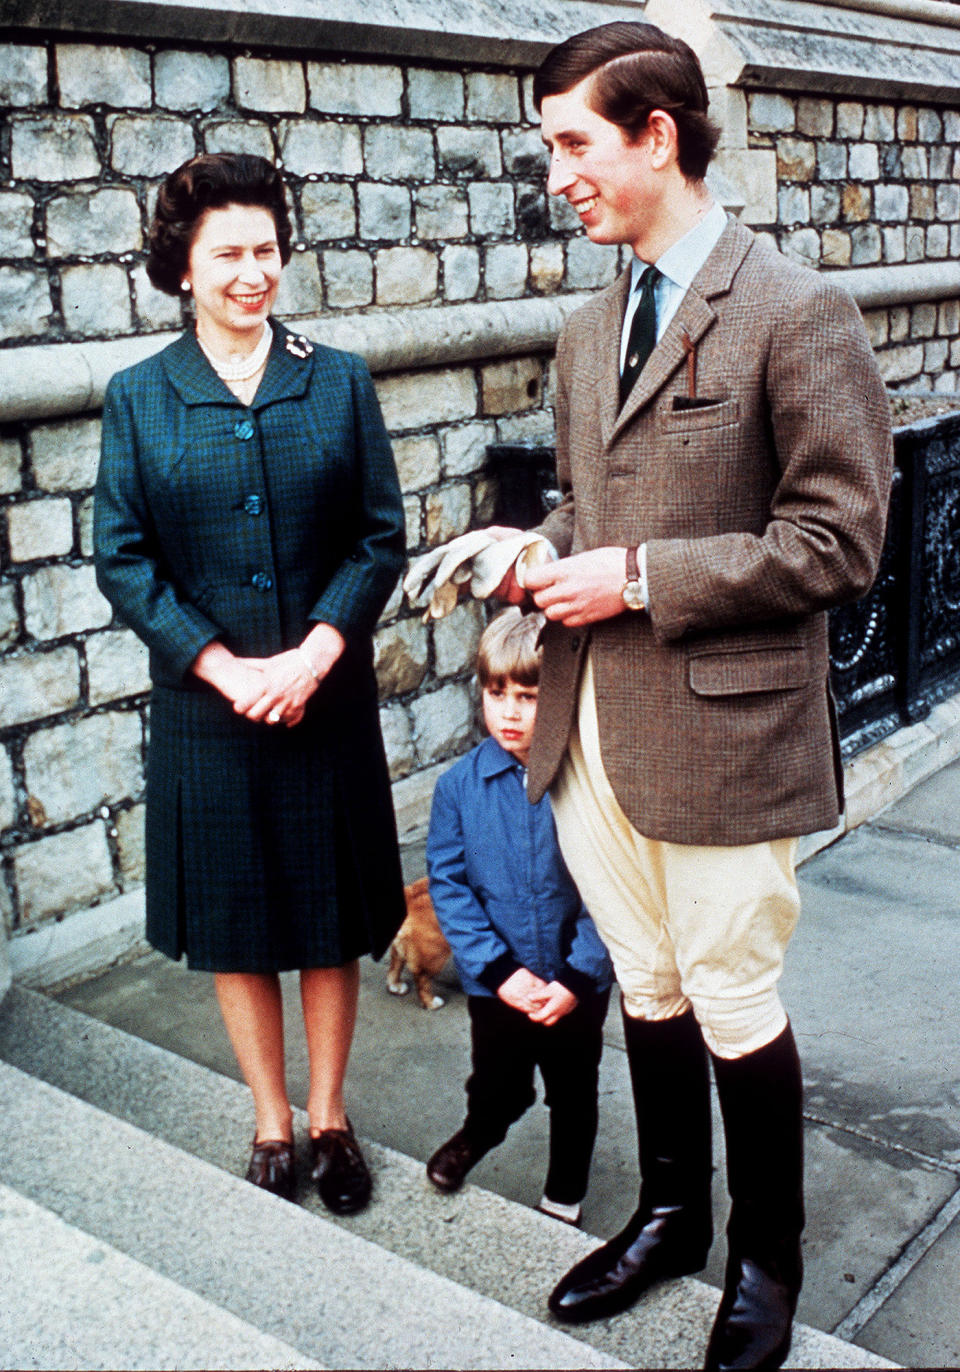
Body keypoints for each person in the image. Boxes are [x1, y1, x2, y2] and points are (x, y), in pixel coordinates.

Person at [487, 21, 893, 1371]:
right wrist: (536, 551)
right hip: (590, 729)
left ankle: (765, 1263)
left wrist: (643, 577)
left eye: (574, 145)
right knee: (646, 987)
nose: (559, 175)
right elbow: (589, 501)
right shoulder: (589, 325)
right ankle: (671, 1215)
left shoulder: (795, 309)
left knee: (727, 993)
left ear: (658, 135)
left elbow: (839, 542)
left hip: (724, 733)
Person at [94, 152, 406, 1215]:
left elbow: (378, 537)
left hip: (325, 698)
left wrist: (317, 653)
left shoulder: (340, 376)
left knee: (325, 914)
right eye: (228, 253)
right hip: (209, 708)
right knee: (237, 918)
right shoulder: (140, 397)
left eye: (267, 250)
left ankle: (330, 1114)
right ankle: (270, 1118)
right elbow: (123, 558)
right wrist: (225, 669)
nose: (252, 273)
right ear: (181, 267)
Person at [425, 608, 613, 1226]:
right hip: (496, 981)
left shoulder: (587, 783)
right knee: (497, 1081)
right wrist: (498, 970)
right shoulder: (458, 787)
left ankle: (563, 1193)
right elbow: (449, 886)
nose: (509, 712)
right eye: (496, 693)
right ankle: (480, 1132)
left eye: (529, 697)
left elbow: (609, 889)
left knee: (573, 1091)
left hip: (571, 983)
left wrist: (580, 977)